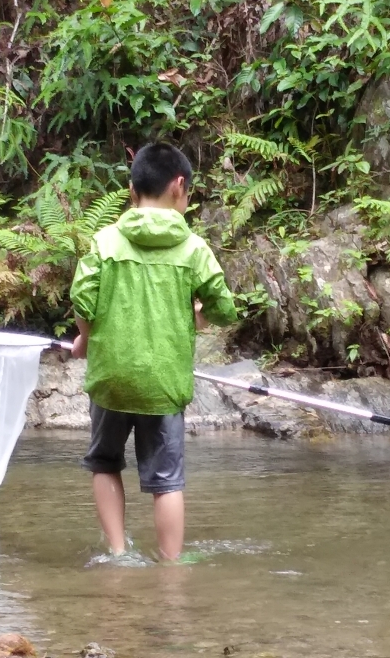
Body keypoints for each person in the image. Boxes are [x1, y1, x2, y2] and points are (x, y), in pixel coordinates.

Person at [69, 142, 238, 562]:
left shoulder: (105, 242)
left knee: (105, 462)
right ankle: (171, 567)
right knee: (167, 481)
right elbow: (223, 307)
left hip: (111, 379)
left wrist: (84, 340)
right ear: (179, 186)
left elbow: (82, 300)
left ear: (132, 189)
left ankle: (118, 553)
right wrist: (198, 316)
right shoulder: (194, 249)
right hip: (163, 383)